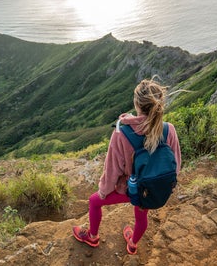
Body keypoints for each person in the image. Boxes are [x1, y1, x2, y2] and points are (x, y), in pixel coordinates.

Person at [72, 77, 181, 255]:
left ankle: (92, 236)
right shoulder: (169, 129)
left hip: (130, 188)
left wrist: (104, 191)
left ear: (136, 103)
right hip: (150, 189)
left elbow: (112, 170)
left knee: (94, 201)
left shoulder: (122, 134)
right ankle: (132, 244)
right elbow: (175, 164)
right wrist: (162, 185)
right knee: (141, 212)